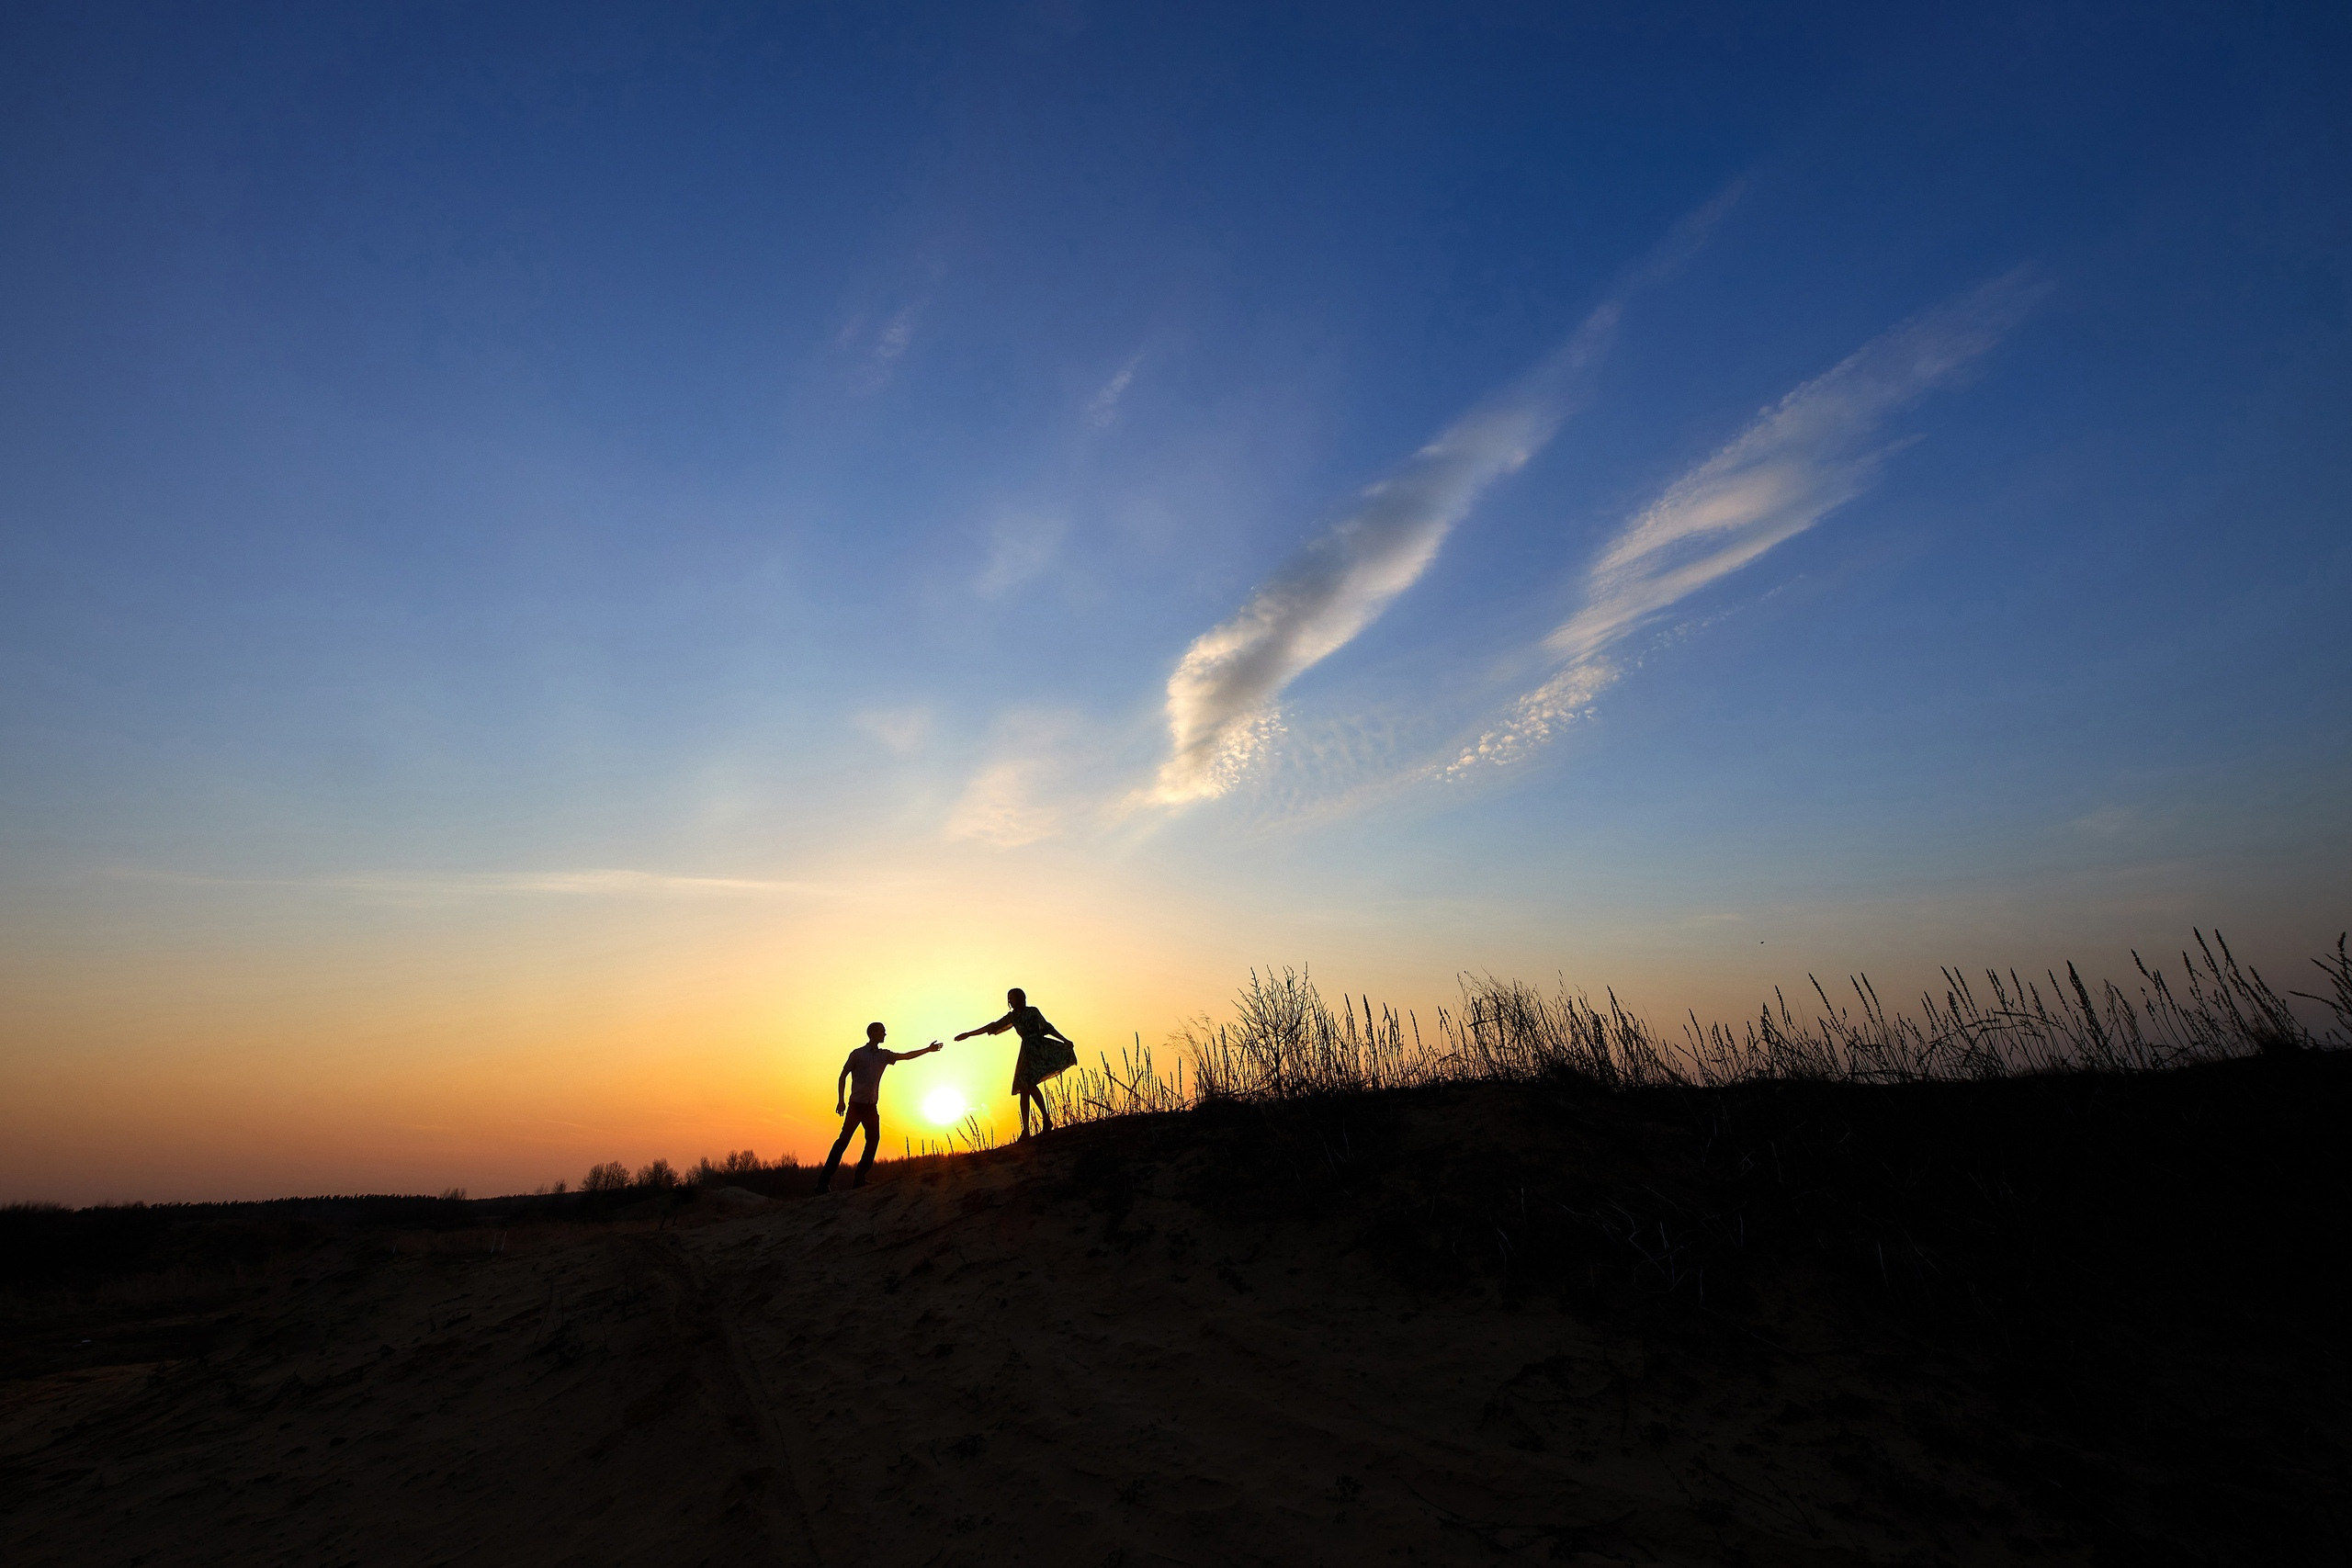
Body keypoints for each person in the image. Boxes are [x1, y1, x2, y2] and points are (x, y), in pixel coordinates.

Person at [817, 1022, 943, 1192]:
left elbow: (905, 1056)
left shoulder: (884, 1055)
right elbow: (843, 1075)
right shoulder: (858, 1054)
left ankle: (859, 1179)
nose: (885, 1034)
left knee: (873, 1140)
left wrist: (927, 1050)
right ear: (873, 1033)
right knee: (843, 1142)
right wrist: (841, 1101)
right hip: (856, 1106)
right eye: (882, 1031)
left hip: (871, 1108)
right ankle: (823, 1183)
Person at [954, 987, 1076, 1140]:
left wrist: (1064, 1040)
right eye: (1009, 998)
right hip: (1026, 1052)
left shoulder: (1033, 1011)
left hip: (1038, 1049)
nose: (1010, 1001)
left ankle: (1045, 1119)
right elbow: (992, 1026)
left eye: (1012, 998)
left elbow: (1047, 1027)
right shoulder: (1012, 1016)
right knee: (1024, 1089)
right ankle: (1027, 1129)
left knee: (1029, 1085)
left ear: (1021, 998)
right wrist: (969, 1034)